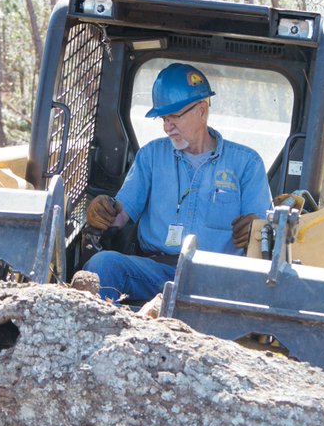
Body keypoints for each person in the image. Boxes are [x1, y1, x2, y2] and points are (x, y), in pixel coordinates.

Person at [81, 62, 272, 302]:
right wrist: (102, 211)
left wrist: (257, 227)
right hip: (155, 271)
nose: (167, 128)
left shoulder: (246, 163)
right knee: (103, 265)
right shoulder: (151, 156)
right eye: (163, 119)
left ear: (201, 111)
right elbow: (120, 215)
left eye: (173, 117)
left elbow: (264, 235)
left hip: (218, 280)